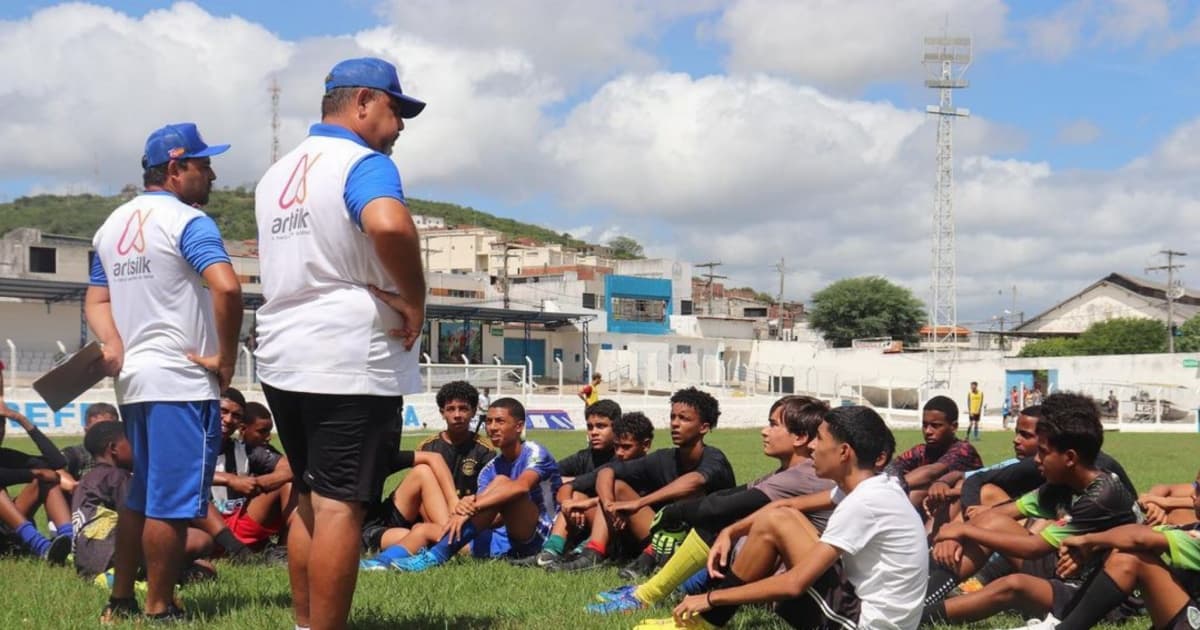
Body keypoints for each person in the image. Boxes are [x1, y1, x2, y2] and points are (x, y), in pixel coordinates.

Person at [253, 56, 425, 630]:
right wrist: (414, 296)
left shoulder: (275, 175)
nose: (399, 125)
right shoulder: (363, 163)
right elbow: (391, 225)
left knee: (308, 497)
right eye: (396, 110)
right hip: (348, 355)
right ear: (363, 103)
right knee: (339, 506)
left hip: (283, 353)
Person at [87, 121, 241, 622]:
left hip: (133, 383)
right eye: (203, 164)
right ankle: (158, 607)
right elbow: (228, 287)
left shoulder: (111, 227)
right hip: (181, 379)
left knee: (143, 496)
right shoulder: (188, 222)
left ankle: (121, 601)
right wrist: (227, 359)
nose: (212, 173)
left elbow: (97, 297)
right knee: (172, 504)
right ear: (176, 169)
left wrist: (112, 342)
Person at [652, 406, 928, 630]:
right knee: (780, 517)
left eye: (819, 439)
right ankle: (708, 624)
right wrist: (731, 532)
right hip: (869, 612)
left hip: (862, 625)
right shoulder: (876, 485)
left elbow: (794, 584)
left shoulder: (864, 503)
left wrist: (711, 598)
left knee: (778, 522)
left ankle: (705, 622)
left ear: (844, 452)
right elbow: (786, 505)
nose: (811, 448)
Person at [588, 395, 836, 615]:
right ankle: (655, 591)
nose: (764, 431)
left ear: (801, 437)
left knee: (721, 521)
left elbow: (718, 507)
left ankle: (647, 595)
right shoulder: (787, 472)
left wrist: (671, 512)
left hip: (793, 592)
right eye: (672, 417)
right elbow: (732, 494)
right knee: (726, 522)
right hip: (778, 579)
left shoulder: (802, 475)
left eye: (773, 424)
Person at [921, 392, 1141, 627]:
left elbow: (1034, 548)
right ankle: (921, 598)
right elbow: (1002, 513)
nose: (1036, 460)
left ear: (1069, 457)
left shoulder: (1102, 494)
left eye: (1043, 452)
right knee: (991, 521)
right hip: (1063, 570)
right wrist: (956, 532)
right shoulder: (1062, 482)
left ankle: (917, 617)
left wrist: (964, 532)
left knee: (1013, 585)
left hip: (1097, 593)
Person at [563, 387, 736, 575]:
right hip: (663, 536)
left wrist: (639, 503)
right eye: (673, 417)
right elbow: (607, 471)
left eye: (684, 419)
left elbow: (694, 481)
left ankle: (652, 558)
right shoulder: (663, 458)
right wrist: (609, 505)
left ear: (704, 427)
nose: (675, 424)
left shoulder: (714, 458)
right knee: (616, 486)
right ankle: (592, 554)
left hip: (709, 540)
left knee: (690, 495)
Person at [385, 398, 563, 571]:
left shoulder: (535, 452)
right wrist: (466, 511)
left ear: (518, 426)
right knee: (423, 529)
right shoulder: (490, 469)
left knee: (502, 482)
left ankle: (436, 556)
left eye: (500, 422)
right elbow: (491, 517)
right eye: (489, 421)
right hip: (505, 538)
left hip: (540, 534)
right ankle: (380, 563)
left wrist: (472, 505)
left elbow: (521, 487)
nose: (492, 427)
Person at [73, 421, 216, 585]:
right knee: (200, 539)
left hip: (87, 561)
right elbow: (137, 519)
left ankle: (160, 574)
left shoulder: (88, 479)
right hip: (110, 556)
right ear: (113, 448)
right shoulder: (119, 477)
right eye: (135, 443)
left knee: (204, 569)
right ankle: (126, 575)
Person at [517, 410, 653, 568]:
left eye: (626, 447)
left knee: (614, 491)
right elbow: (568, 486)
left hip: (641, 535)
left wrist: (589, 504)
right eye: (617, 447)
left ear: (646, 445)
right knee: (576, 496)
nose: (620, 453)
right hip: (614, 526)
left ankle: (588, 553)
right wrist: (570, 504)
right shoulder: (610, 464)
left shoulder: (655, 465)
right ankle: (551, 551)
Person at [885, 395, 982, 510]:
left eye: (936, 426)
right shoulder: (922, 451)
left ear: (954, 427)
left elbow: (931, 473)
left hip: (969, 513)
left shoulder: (964, 450)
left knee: (918, 493)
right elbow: (893, 466)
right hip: (938, 511)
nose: (928, 431)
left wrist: (889, 487)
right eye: (925, 425)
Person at [0, 405, 71, 563]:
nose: (0, 430)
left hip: (7, 531)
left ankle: (69, 542)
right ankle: (41, 546)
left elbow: (57, 462)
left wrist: (22, 420)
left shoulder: (5, 455)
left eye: (2, 424)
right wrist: (32, 473)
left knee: (45, 481)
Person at [416, 381, 496, 499]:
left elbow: (490, 492)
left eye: (463, 409)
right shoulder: (427, 448)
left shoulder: (485, 450)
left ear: (473, 412)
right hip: (434, 512)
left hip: (470, 512)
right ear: (442, 413)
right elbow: (419, 491)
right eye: (451, 409)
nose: (457, 415)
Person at [59, 402, 120, 492]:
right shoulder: (77, 453)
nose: (103, 434)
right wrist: (74, 486)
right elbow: (54, 468)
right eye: (96, 430)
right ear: (86, 430)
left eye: (109, 428)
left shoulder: (126, 454)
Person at [558, 399, 622, 484]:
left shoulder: (625, 458)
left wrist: (572, 481)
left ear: (616, 427)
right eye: (590, 427)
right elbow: (548, 472)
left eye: (601, 426)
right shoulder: (583, 458)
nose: (593, 432)